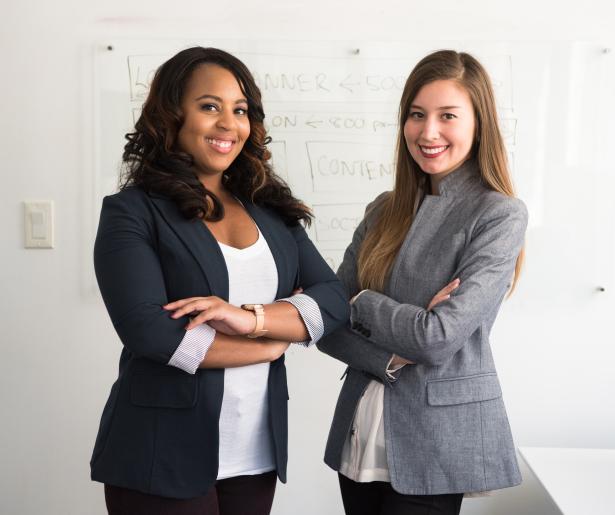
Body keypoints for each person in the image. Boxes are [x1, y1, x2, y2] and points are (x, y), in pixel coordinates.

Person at [90, 46, 349, 515]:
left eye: (240, 109)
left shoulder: (271, 210)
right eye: (210, 106)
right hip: (160, 453)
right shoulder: (132, 212)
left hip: (254, 453)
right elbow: (150, 332)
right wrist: (270, 343)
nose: (229, 123)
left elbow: (332, 301)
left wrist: (249, 320)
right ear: (172, 116)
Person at [317, 49, 528, 515]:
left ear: (479, 124)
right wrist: (389, 353)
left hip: (435, 441)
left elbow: (436, 339)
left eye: (447, 116)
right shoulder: (382, 209)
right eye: (417, 115)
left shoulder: (498, 214)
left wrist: (362, 300)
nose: (427, 131)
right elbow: (327, 324)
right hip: (360, 431)